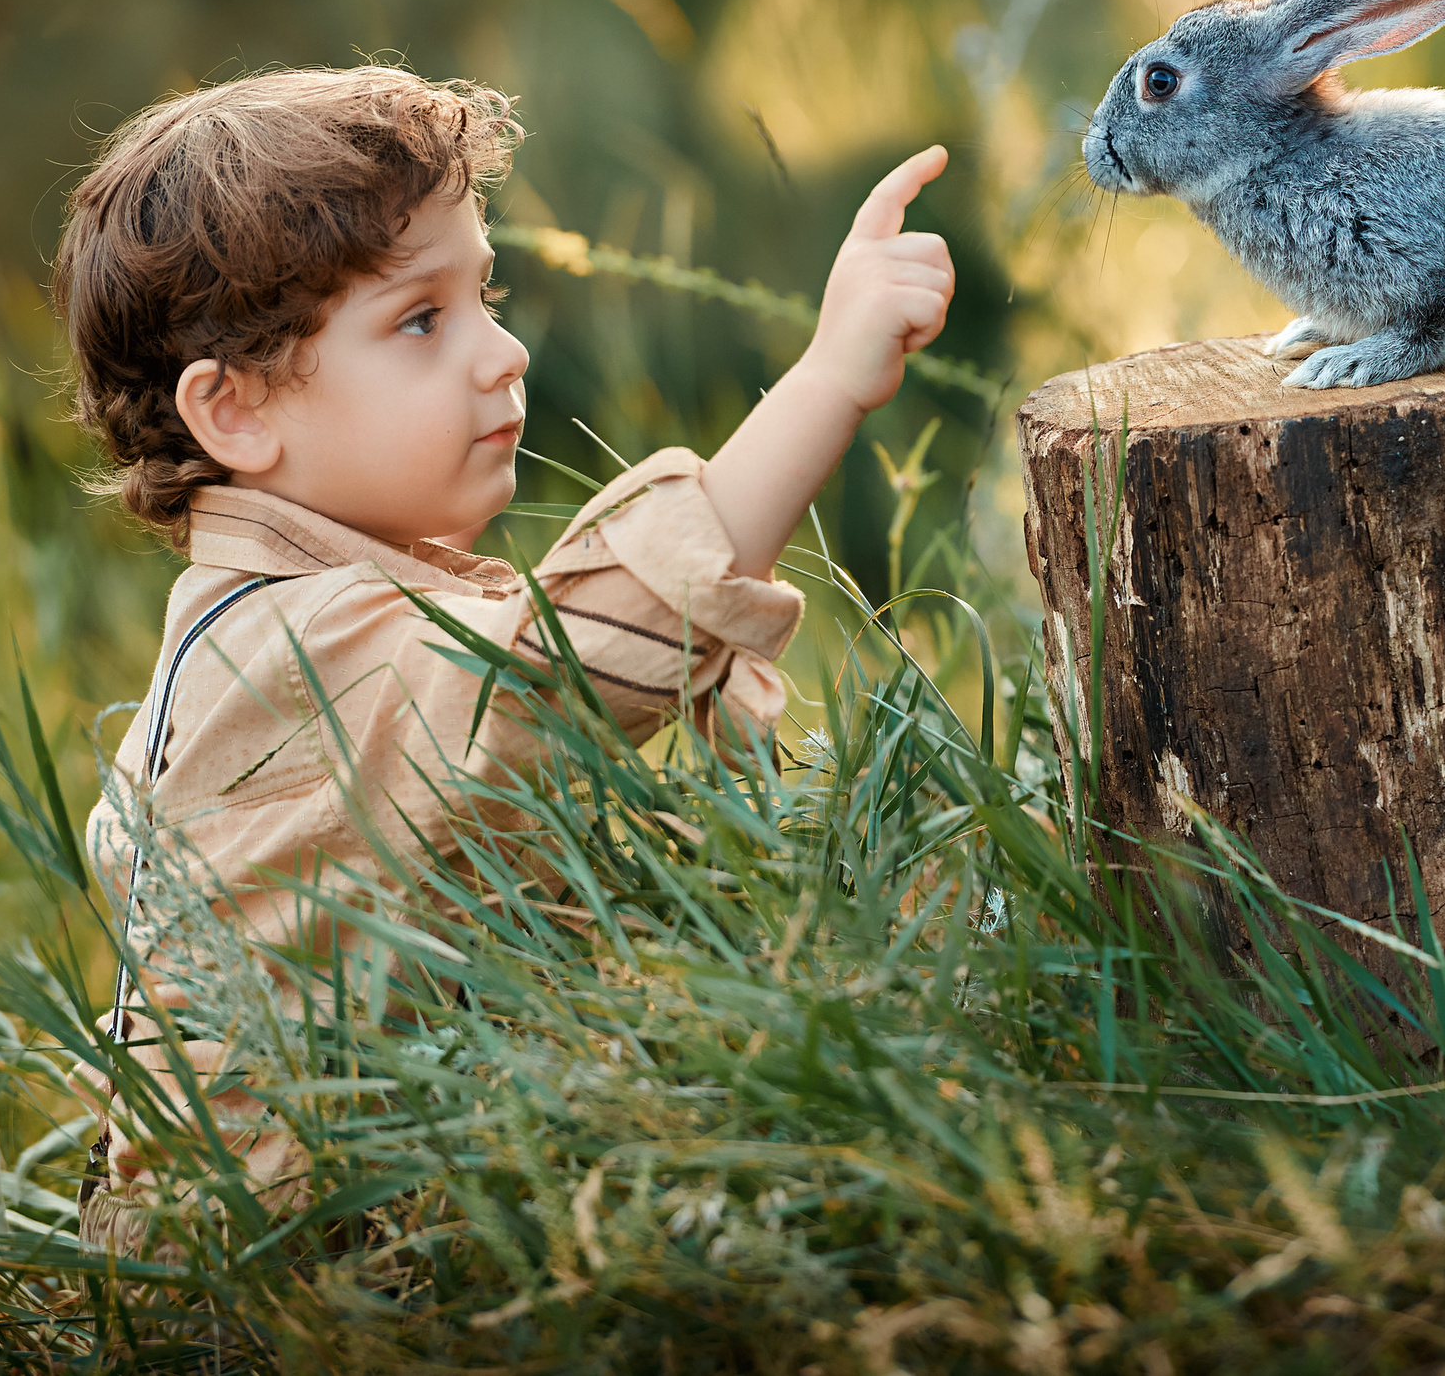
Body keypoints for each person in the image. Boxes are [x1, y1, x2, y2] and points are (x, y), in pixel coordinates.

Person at [51, 64, 953, 1254]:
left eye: (487, 295)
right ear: (238, 413)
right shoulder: (296, 647)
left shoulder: (292, 614)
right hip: (312, 1269)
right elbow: (580, 669)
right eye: (421, 320)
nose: (503, 353)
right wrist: (827, 378)